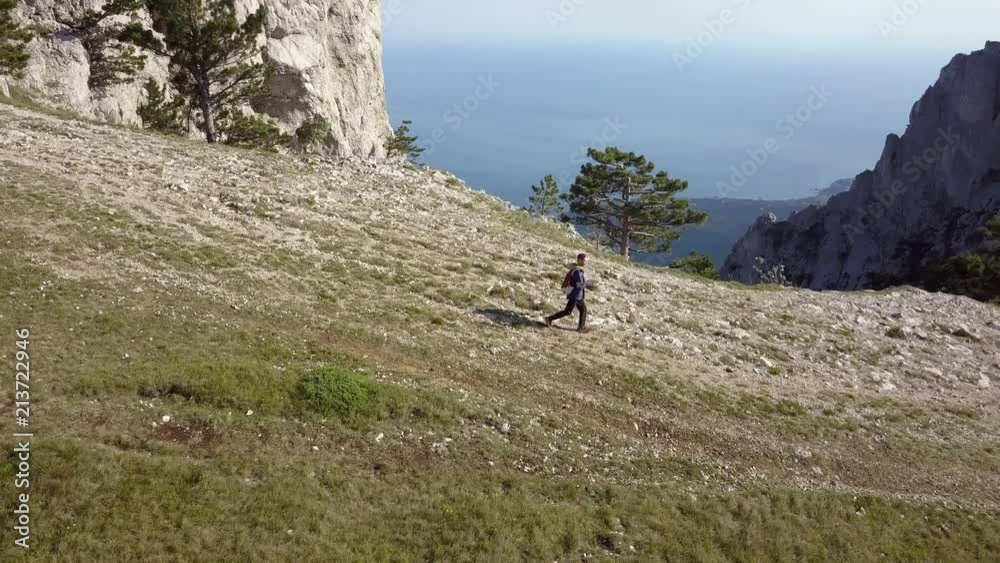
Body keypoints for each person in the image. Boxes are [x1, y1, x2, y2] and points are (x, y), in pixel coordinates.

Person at [545, 253, 593, 333]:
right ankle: (549, 319)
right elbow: (578, 284)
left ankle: (581, 327)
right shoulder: (577, 271)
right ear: (580, 260)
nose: (586, 263)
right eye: (585, 261)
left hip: (578, 295)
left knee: (583, 309)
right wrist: (589, 285)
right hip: (575, 295)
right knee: (568, 311)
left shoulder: (577, 270)